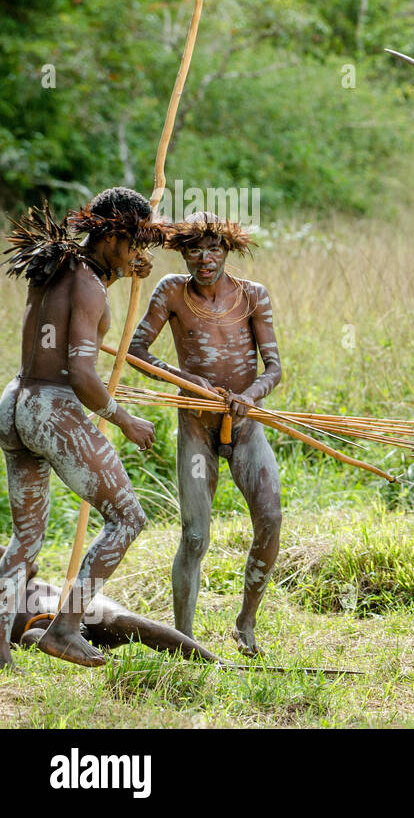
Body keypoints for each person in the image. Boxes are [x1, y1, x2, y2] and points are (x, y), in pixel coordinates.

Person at [0, 187, 165, 669]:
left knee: (25, 540)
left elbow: (73, 307)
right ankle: (65, 630)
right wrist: (125, 419)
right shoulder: (90, 284)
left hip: (14, 403)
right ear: (111, 234)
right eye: (134, 240)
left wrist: (120, 273)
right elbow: (81, 373)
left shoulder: (57, 264)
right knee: (128, 518)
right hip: (52, 410)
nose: (140, 250)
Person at [129, 211, 282, 657]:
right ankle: (185, 642)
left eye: (214, 249)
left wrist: (250, 395)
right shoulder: (171, 291)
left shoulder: (253, 296)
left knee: (270, 519)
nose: (205, 259)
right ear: (183, 253)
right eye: (194, 249)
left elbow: (274, 367)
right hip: (196, 422)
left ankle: (246, 622)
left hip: (245, 423)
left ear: (228, 251)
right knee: (195, 536)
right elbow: (137, 352)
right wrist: (186, 381)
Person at [10, 562, 219, 662]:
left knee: (123, 621)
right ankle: (110, 661)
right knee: (32, 637)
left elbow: (31, 565)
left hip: (73, 604)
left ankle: (218, 663)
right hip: (39, 630)